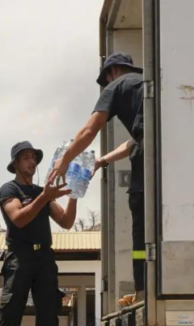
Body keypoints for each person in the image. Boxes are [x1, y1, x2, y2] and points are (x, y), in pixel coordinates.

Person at [49, 52, 146, 298]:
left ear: (111, 73)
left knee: (141, 229)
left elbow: (90, 129)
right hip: (165, 162)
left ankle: (143, 289)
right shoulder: (148, 84)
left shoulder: (116, 86)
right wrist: (101, 161)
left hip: (147, 165)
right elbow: (134, 141)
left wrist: (65, 160)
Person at [0, 142, 75, 326]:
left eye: (34, 158)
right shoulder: (9, 189)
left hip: (44, 258)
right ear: (15, 163)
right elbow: (19, 218)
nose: (31, 162)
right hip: (20, 257)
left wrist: (75, 194)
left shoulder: (42, 192)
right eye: (25, 158)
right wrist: (45, 197)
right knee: (10, 315)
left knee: (49, 317)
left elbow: (67, 221)